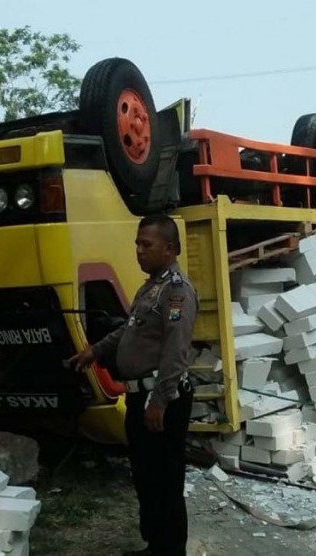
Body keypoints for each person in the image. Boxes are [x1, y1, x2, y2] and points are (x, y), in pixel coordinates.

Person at [68, 214, 198, 556]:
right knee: (145, 475)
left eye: (146, 245)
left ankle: (171, 550)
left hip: (163, 399)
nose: (138, 251)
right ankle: (155, 545)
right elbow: (129, 330)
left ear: (169, 249)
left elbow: (175, 352)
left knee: (166, 479)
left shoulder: (177, 293)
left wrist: (159, 402)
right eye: (137, 244)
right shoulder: (150, 287)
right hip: (140, 396)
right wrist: (95, 351)